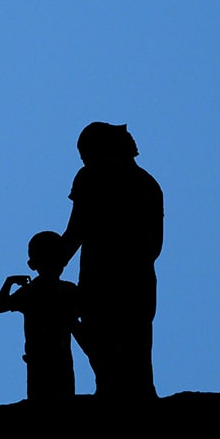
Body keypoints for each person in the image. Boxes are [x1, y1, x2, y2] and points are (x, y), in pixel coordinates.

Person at [60, 122, 163, 400]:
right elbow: (154, 244)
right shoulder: (147, 182)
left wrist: (54, 263)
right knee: (135, 344)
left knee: (106, 340)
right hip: (137, 276)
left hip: (103, 275)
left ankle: (115, 396)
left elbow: (75, 230)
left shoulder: (91, 177)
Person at [0, 231, 80, 403]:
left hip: (41, 361)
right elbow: (1, 307)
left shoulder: (32, 291)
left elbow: (1, 306)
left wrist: (9, 282)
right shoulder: (67, 291)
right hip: (56, 359)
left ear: (32, 264)